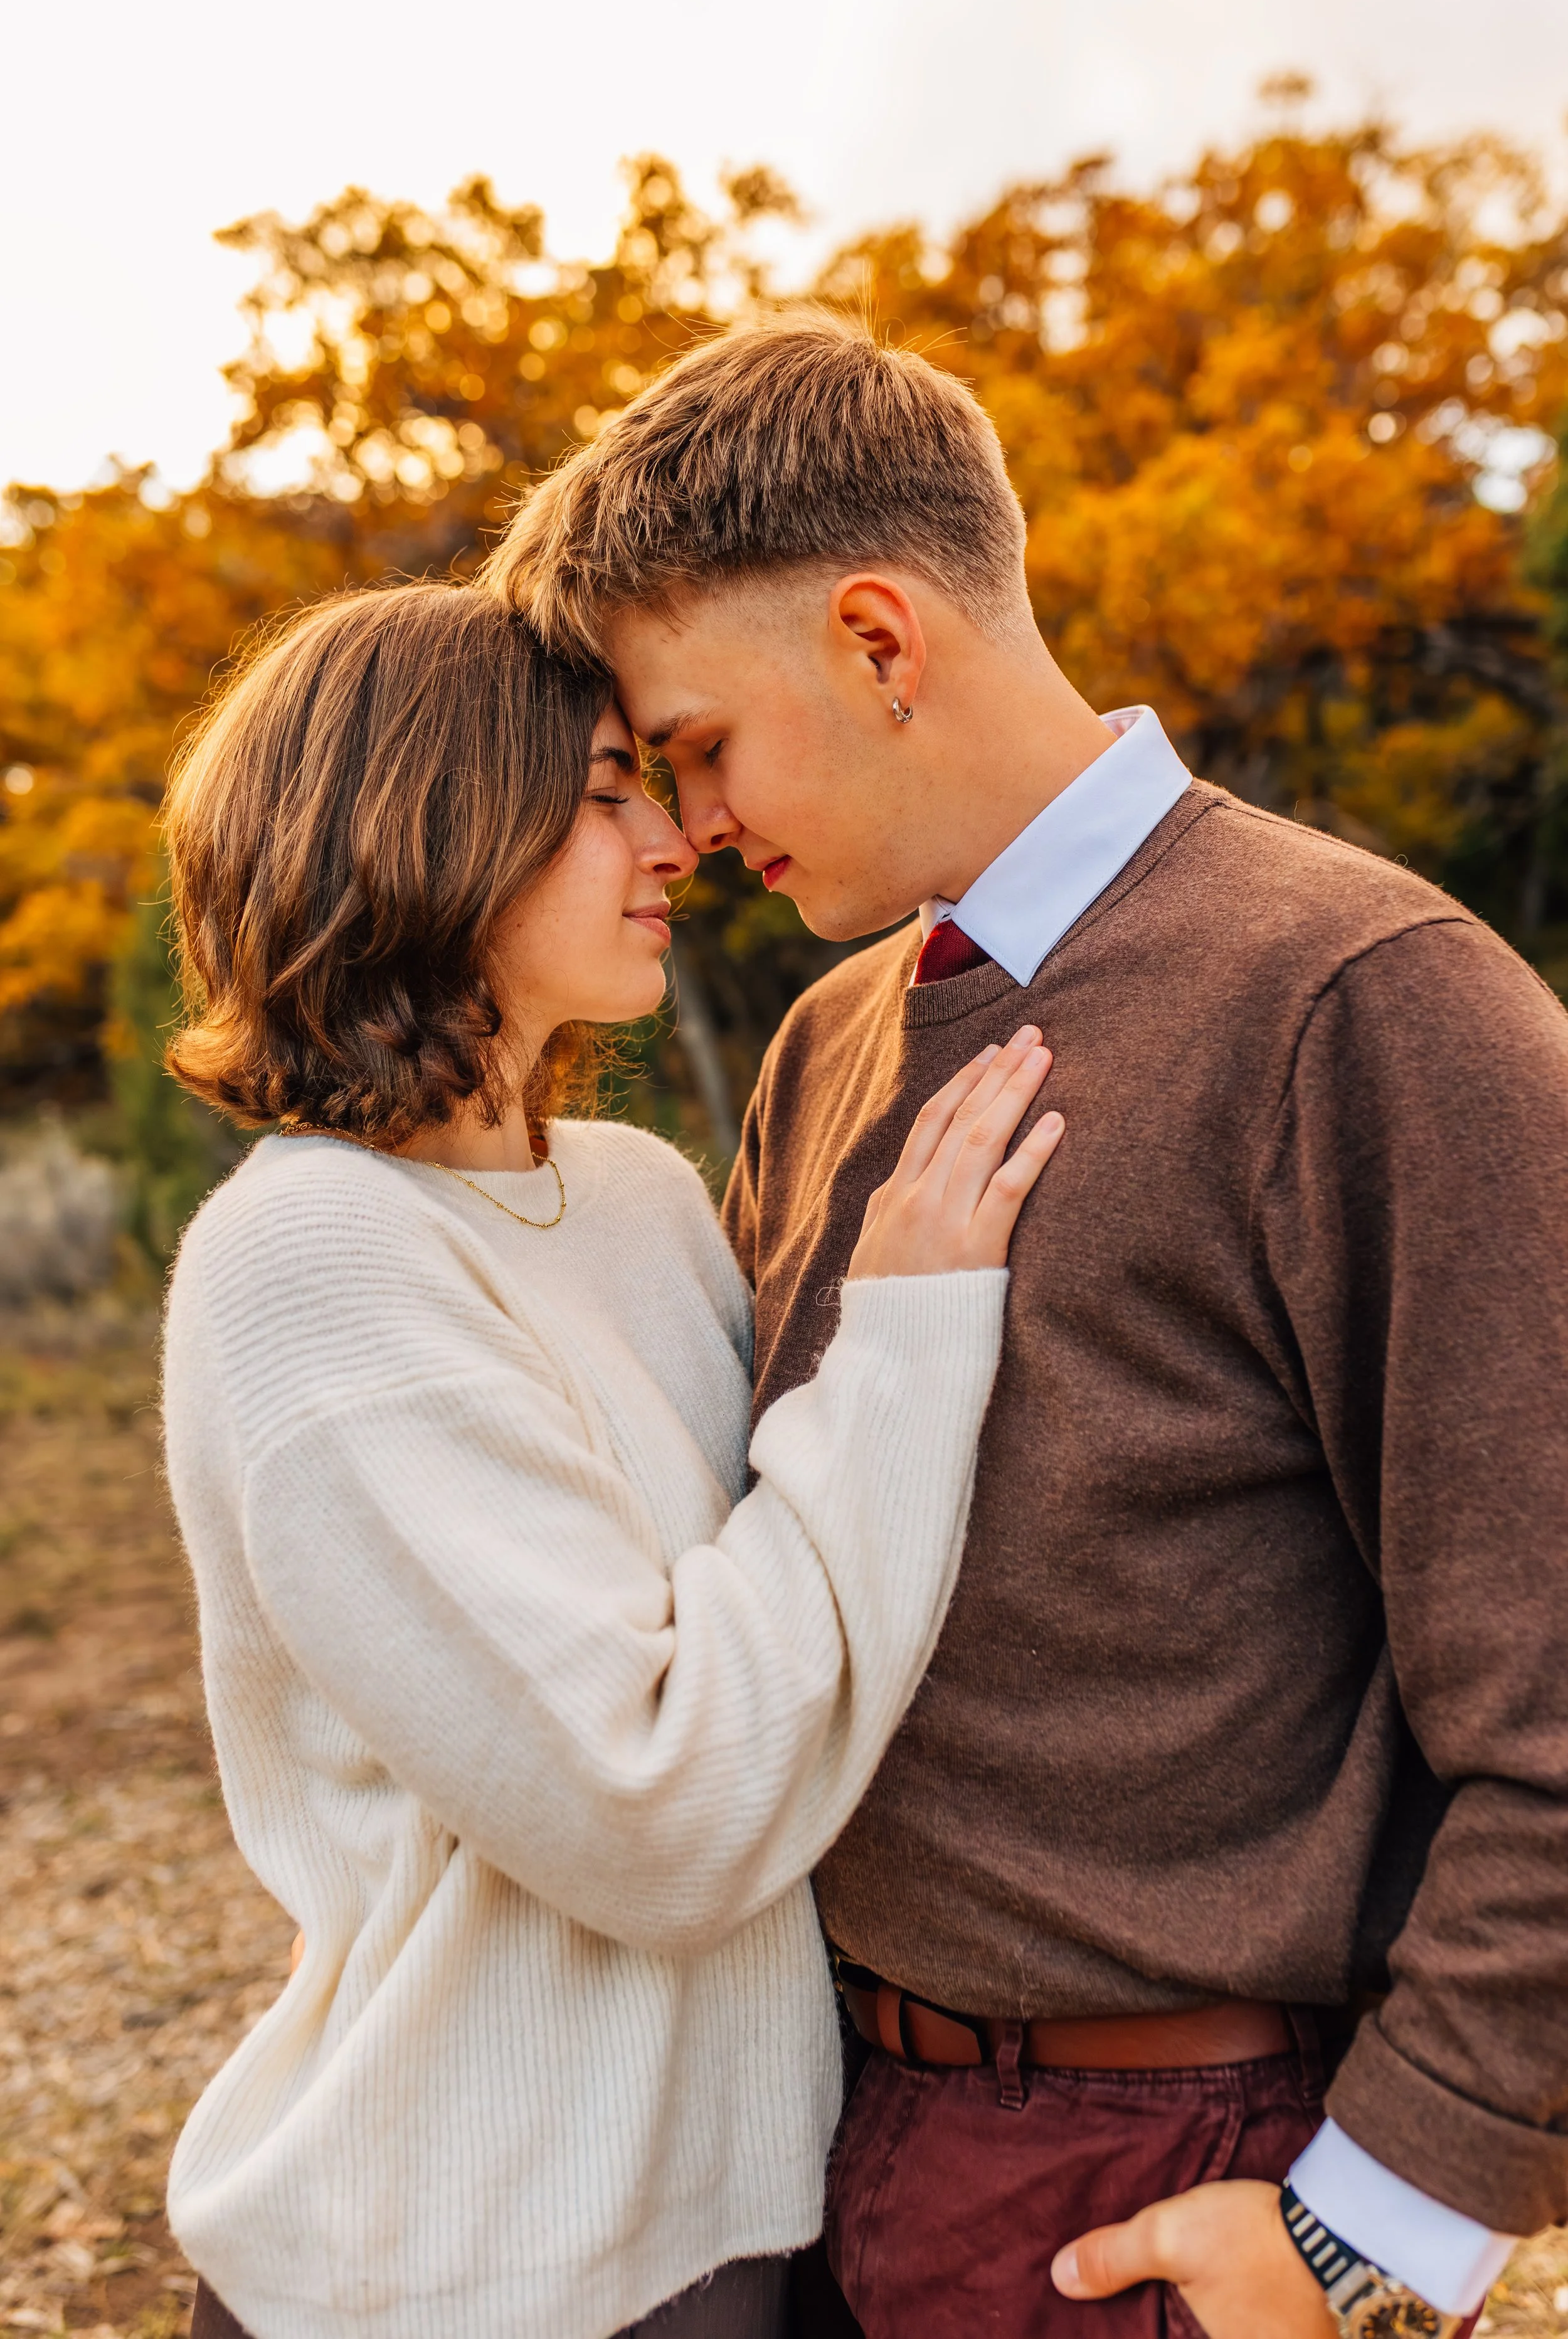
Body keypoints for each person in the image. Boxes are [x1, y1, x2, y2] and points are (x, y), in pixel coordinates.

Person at [485, 312, 1568, 2339]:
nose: (690, 830)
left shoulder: (1371, 1001)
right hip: (817, 2146)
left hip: (1161, 2187)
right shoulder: (824, 1043)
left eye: (699, 746)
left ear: (882, 640)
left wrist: (1369, 2225)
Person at [156, 580, 1068, 2339]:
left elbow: (821, 1619)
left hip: (744, 2222)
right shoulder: (315, 1256)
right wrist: (903, 1337)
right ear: (430, 824)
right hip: (465, 2259)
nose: (673, 838)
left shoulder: (639, 1197)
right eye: (599, 794)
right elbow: (658, 1801)